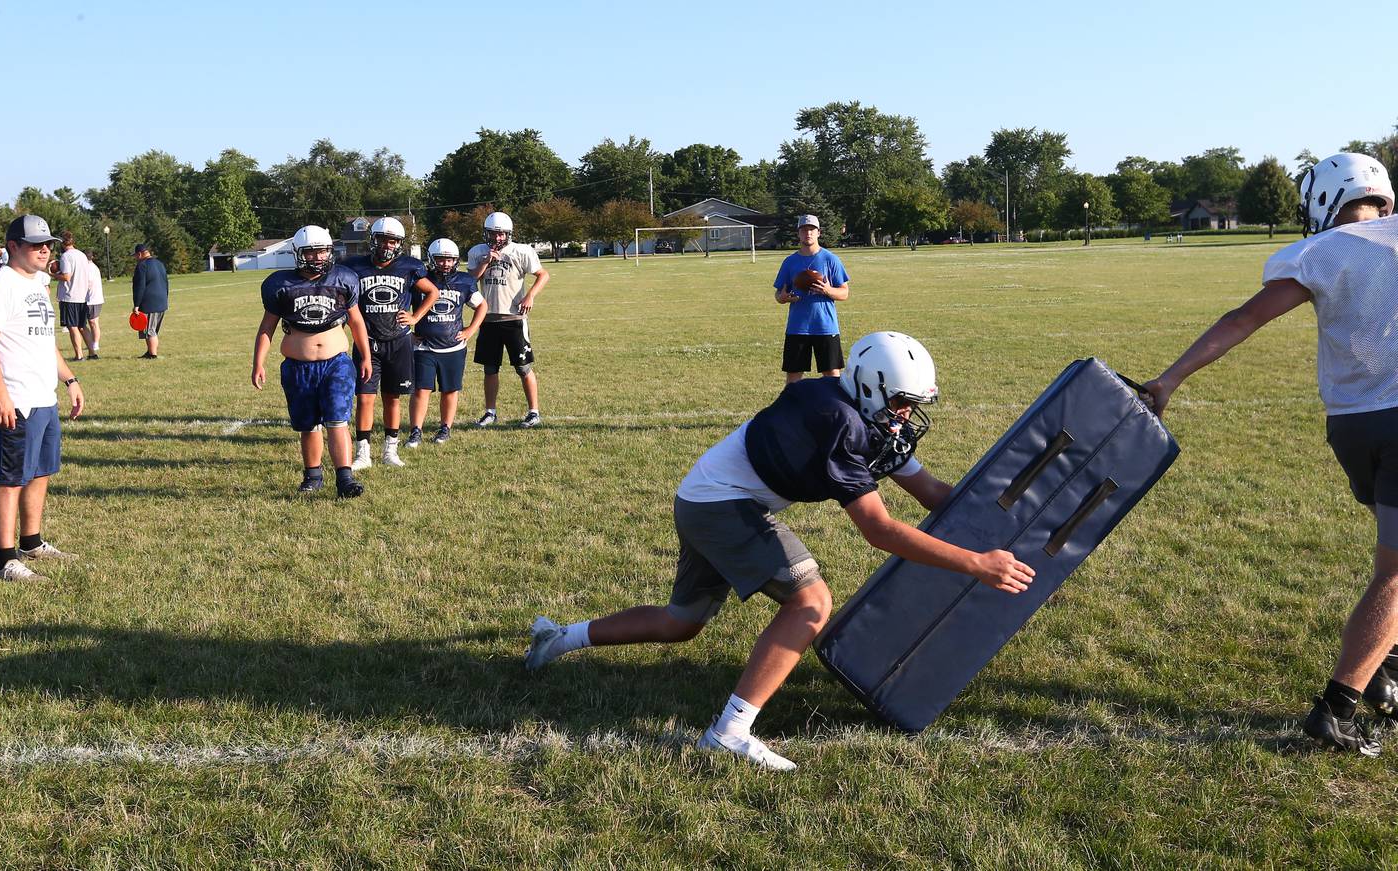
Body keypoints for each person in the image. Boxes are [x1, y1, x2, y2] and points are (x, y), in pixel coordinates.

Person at [525, 332, 1034, 770]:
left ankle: (558, 640)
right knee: (810, 603)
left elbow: (931, 494)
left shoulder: (852, 406)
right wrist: (974, 564)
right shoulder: (839, 422)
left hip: (706, 495)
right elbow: (878, 530)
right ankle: (729, 733)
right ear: (871, 388)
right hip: (722, 504)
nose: (905, 416)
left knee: (681, 622)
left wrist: (1004, 521)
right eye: (900, 403)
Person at [1142, 153, 1398, 755]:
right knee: (1394, 572)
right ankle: (1338, 708)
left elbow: (1243, 320)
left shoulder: (1317, 254)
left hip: (1352, 427)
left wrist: (1171, 378)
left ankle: (1386, 668)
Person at [0, 215, 84, 581]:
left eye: (47, 243)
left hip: (44, 396)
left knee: (40, 471)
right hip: (17, 399)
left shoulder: (37, 282)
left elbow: (44, 341)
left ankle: (31, 542)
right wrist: (0, 394)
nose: (45, 249)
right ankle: (5, 560)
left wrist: (69, 379)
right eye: (36, 244)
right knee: (11, 478)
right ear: (13, 248)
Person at [252, 225, 371, 498]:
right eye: (312, 251)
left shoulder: (343, 278)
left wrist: (365, 355)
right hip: (298, 365)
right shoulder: (280, 284)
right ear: (298, 253)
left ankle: (345, 479)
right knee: (308, 424)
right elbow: (266, 328)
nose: (318, 257)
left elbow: (356, 321)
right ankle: (313, 475)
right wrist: (258, 362)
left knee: (338, 419)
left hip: (335, 362)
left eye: (323, 251)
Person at [339, 216, 437, 469]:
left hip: (399, 340)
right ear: (373, 240)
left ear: (399, 244)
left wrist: (415, 316)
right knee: (365, 398)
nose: (387, 245)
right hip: (367, 341)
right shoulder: (354, 267)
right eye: (383, 239)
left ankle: (389, 451)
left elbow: (433, 291)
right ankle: (363, 453)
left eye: (392, 241)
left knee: (392, 397)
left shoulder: (408, 266)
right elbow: (343, 296)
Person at [467, 211, 549, 428]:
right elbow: (468, 281)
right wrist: (485, 262)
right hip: (488, 318)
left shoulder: (521, 251)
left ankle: (533, 411)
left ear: (508, 234)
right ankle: (490, 412)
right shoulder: (478, 252)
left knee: (523, 367)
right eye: (494, 234)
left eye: (501, 234)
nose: (497, 238)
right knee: (490, 369)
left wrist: (530, 295)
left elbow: (543, 274)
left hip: (514, 317)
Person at [406, 238, 486, 447]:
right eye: (441, 259)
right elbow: (401, 308)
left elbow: (481, 306)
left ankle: (445, 428)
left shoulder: (464, 280)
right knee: (421, 390)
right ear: (432, 259)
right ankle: (416, 431)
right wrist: (408, 332)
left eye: (450, 260)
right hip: (424, 346)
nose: (446, 264)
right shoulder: (419, 281)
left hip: (454, 346)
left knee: (450, 389)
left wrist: (470, 330)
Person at [773, 215, 850, 385]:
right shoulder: (790, 262)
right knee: (793, 377)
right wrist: (783, 298)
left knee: (832, 375)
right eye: (804, 230)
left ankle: (833, 410)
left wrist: (828, 290)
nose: (808, 233)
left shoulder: (831, 259)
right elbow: (779, 294)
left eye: (811, 230)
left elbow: (844, 293)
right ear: (798, 234)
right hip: (797, 327)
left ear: (818, 233)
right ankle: (792, 411)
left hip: (825, 326)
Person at [52, 231, 90, 362]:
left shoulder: (66, 256)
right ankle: (92, 352)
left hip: (70, 296)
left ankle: (79, 355)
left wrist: (53, 275)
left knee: (72, 326)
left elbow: (67, 276)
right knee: (82, 326)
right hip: (82, 295)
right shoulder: (82, 255)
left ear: (62, 243)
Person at [131, 243, 168, 359]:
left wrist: (136, 304)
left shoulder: (142, 266)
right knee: (152, 330)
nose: (136, 259)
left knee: (149, 331)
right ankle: (149, 352)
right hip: (161, 301)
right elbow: (166, 282)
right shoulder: (159, 263)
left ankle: (152, 355)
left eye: (136, 256)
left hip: (149, 303)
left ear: (140, 254)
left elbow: (140, 286)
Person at [82, 252, 103, 359]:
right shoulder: (91, 267)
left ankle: (95, 343)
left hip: (92, 299)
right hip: (93, 298)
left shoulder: (89, 267)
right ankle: (93, 343)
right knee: (92, 322)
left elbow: (87, 282)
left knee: (93, 322)